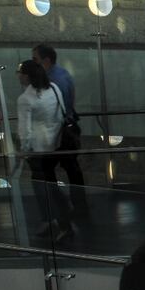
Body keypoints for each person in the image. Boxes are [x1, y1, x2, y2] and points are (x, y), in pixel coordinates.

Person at [17, 59, 73, 242]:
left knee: (44, 186)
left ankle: (61, 221)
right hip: (55, 144)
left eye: (20, 73)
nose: (18, 76)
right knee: (49, 182)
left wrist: (24, 149)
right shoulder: (54, 88)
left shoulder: (25, 99)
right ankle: (53, 217)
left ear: (27, 76)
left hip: (37, 149)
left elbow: (25, 130)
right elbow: (62, 113)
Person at [32, 44, 88, 218]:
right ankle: (78, 205)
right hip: (67, 129)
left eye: (35, 59)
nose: (34, 63)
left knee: (44, 171)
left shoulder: (53, 81)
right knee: (71, 168)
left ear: (46, 60)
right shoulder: (63, 75)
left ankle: (61, 206)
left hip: (58, 133)